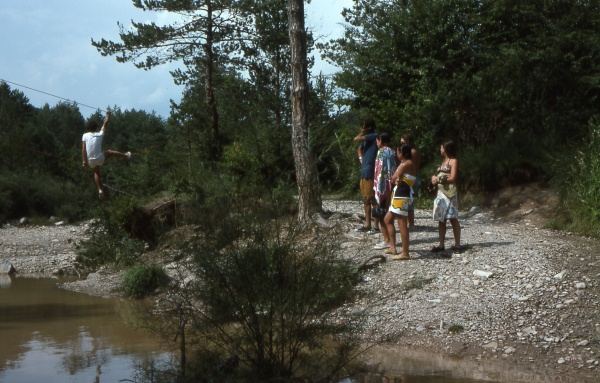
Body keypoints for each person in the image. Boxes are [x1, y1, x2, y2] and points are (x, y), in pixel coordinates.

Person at [82, 109, 131, 200]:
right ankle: (126, 155)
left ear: (88, 128)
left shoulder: (85, 135)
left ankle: (100, 190)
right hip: (99, 158)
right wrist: (108, 115)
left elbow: (83, 149)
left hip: (90, 161)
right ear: (96, 128)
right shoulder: (100, 134)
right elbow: (105, 124)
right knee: (110, 152)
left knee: (96, 172)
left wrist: (84, 161)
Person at [380, 144, 416, 260]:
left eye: (398, 152)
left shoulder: (405, 164)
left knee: (402, 223)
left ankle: (405, 252)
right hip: (399, 194)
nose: (397, 154)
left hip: (402, 195)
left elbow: (393, 178)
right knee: (387, 219)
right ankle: (393, 247)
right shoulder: (406, 164)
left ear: (402, 152)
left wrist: (396, 179)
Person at [430, 139, 461, 253]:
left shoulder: (453, 161)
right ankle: (441, 244)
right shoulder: (443, 161)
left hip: (450, 193)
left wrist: (438, 179)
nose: (440, 149)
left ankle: (458, 244)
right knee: (441, 219)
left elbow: (452, 178)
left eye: (442, 147)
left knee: (453, 218)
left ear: (446, 148)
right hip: (440, 193)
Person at [353, 118, 379, 233]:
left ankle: (376, 225)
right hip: (364, 170)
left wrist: (363, 132)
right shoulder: (365, 140)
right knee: (365, 199)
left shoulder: (374, 136)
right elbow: (359, 148)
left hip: (371, 171)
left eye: (363, 126)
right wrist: (361, 159)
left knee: (372, 199)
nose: (361, 129)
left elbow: (356, 139)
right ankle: (367, 224)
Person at [372, 133, 396, 249]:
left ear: (380, 140)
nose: (377, 143)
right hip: (391, 184)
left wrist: (378, 189)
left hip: (382, 186)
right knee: (387, 213)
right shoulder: (392, 151)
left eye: (377, 141)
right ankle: (389, 240)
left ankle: (386, 239)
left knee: (381, 213)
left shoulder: (381, 152)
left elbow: (380, 170)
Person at [400, 134, 421, 228]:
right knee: (409, 200)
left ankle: (411, 223)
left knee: (409, 200)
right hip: (411, 176)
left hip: (411, 178)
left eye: (403, 143)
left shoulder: (412, 152)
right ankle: (409, 222)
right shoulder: (412, 151)